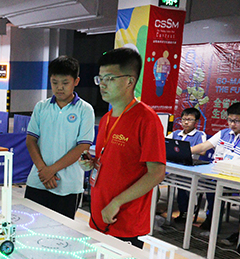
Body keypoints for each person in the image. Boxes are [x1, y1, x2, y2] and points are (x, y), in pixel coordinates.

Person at [80, 47, 166, 248]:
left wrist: (117, 202)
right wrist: (91, 163)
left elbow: (156, 173)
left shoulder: (147, 119)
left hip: (124, 220)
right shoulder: (106, 118)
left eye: (110, 78)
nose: (102, 84)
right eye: (100, 78)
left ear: (130, 81)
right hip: (99, 215)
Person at [24, 56, 95, 219]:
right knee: (29, 230)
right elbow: (31, 140)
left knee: (61, 232)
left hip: (68, 187)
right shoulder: (41, 107)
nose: (59, 87)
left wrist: (51, 170)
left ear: (76, 81)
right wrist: (43, 170)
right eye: (55, 82)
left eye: (65, 83)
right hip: (38, 181)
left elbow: (82, 147)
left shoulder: (85, 110)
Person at [190, 101, 240, 230]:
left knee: (214, 190)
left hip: (235, 178)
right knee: (206, 186)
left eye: (237, 121)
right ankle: (211, 222)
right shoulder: (224, 133)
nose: (232, 124)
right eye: (230, 120)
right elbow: (204, 146)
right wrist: (187, 151)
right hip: (215, 174)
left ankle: (214, 225)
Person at [170, 107, 208, 223]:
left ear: (196, 122)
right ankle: (182, 211)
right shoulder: (176, 133)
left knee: (186, 190)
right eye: (184, 119)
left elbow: (203, 151)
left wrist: (187, 150)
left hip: (190, 169)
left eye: (190, 120)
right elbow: (164, 143)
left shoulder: (200, 134)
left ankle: (188, 211)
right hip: (175, 166)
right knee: (179, 189)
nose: (186, 122)